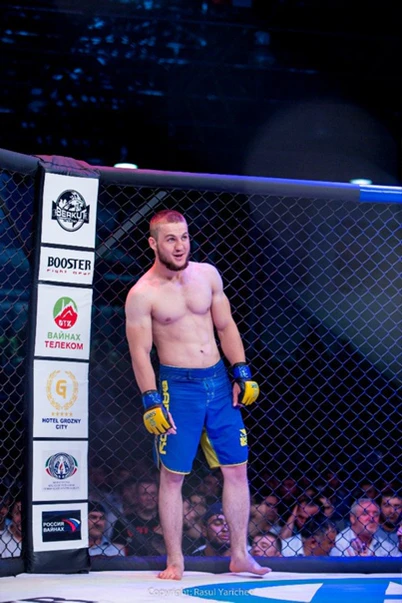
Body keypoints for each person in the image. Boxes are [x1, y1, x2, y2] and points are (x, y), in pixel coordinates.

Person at [125, 209, 267, 580]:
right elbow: (140, 352)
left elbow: (226, 325)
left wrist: (241, 371)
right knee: (173, 476)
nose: (180, 245)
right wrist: (151, 399)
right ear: (153, 243)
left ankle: (240, 554)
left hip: (218, 383)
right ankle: (176, 561)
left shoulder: (207, 275)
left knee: (236, 469)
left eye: (184, 237)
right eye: (171, 239)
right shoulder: (142, 294)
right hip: (179, 387)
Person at [330, 498, 400, 557]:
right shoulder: (338, 544)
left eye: (375, 514)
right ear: (353, 518)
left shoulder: (387, 547)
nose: (372, 518)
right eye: (365, 513)